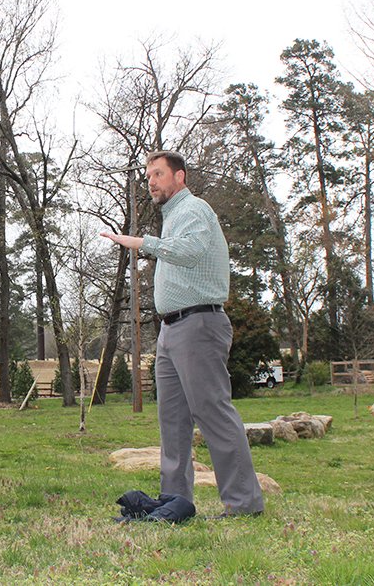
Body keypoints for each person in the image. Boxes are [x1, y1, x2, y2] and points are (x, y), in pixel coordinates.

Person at [101, 150, 264, 518]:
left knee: (212, 412)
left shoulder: (194, 210)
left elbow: (189, 252)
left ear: (180, 177)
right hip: (171, 330)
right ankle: (175, 503)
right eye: (148, 176)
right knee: (172, 420)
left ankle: (244, 503)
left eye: (158, 174)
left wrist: (142, 243)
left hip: (199, 324)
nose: (151, 182)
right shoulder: (173, 216)